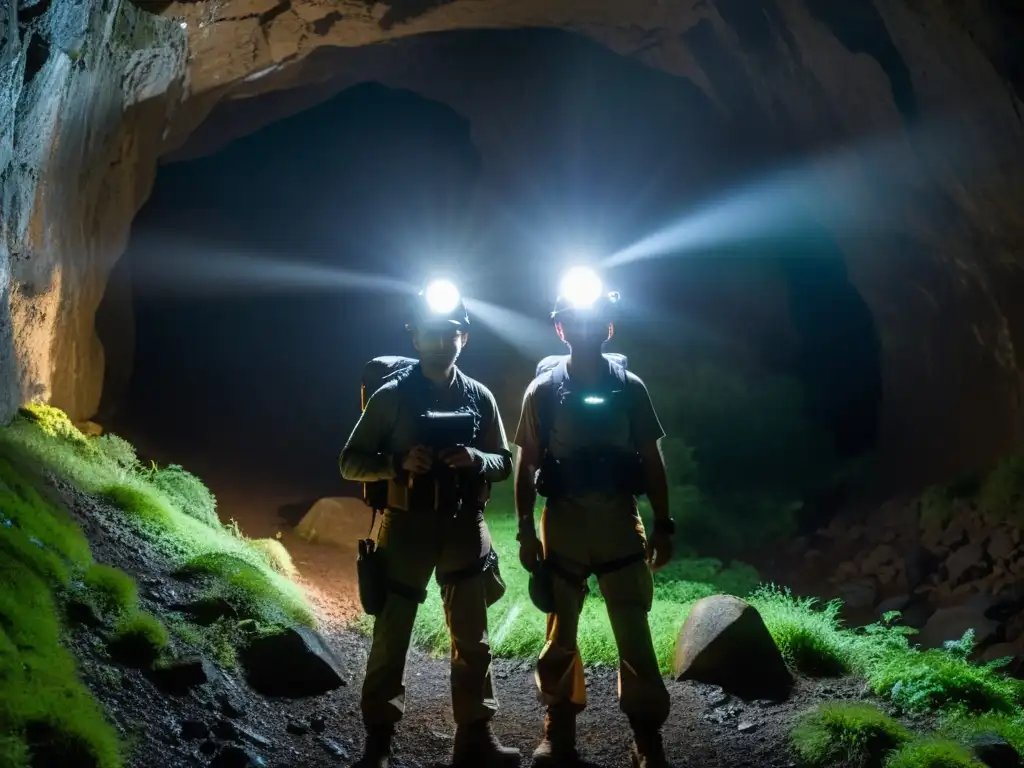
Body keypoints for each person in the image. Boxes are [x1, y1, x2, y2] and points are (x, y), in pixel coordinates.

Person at [339, 282, 521, 768]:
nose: (442, 341)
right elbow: (350, 462)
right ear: (415, 337)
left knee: (472, 636)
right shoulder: (391, 397)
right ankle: (377, 744)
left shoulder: (480, 397)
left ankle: (476, 738)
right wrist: (398, 463)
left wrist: (475, 459)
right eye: (432, 332)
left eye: (452, 333)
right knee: (392, 633)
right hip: (406, 528)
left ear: (464, 337)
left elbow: (504, 462)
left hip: (463, 527)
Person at [513, 272, 675, 768]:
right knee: (560, 633)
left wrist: (664, 523)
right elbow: (528, 463)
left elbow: (652, 459)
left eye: (592, 320)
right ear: (560, 328)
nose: (583, 329)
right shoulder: (542, 390)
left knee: (633, 632)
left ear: (608, 326)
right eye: (572, 321)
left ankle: (647, 738)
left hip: (619, 523)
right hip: (563, 524)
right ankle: (558, 728)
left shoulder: (631, 388)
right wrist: (523, 528)